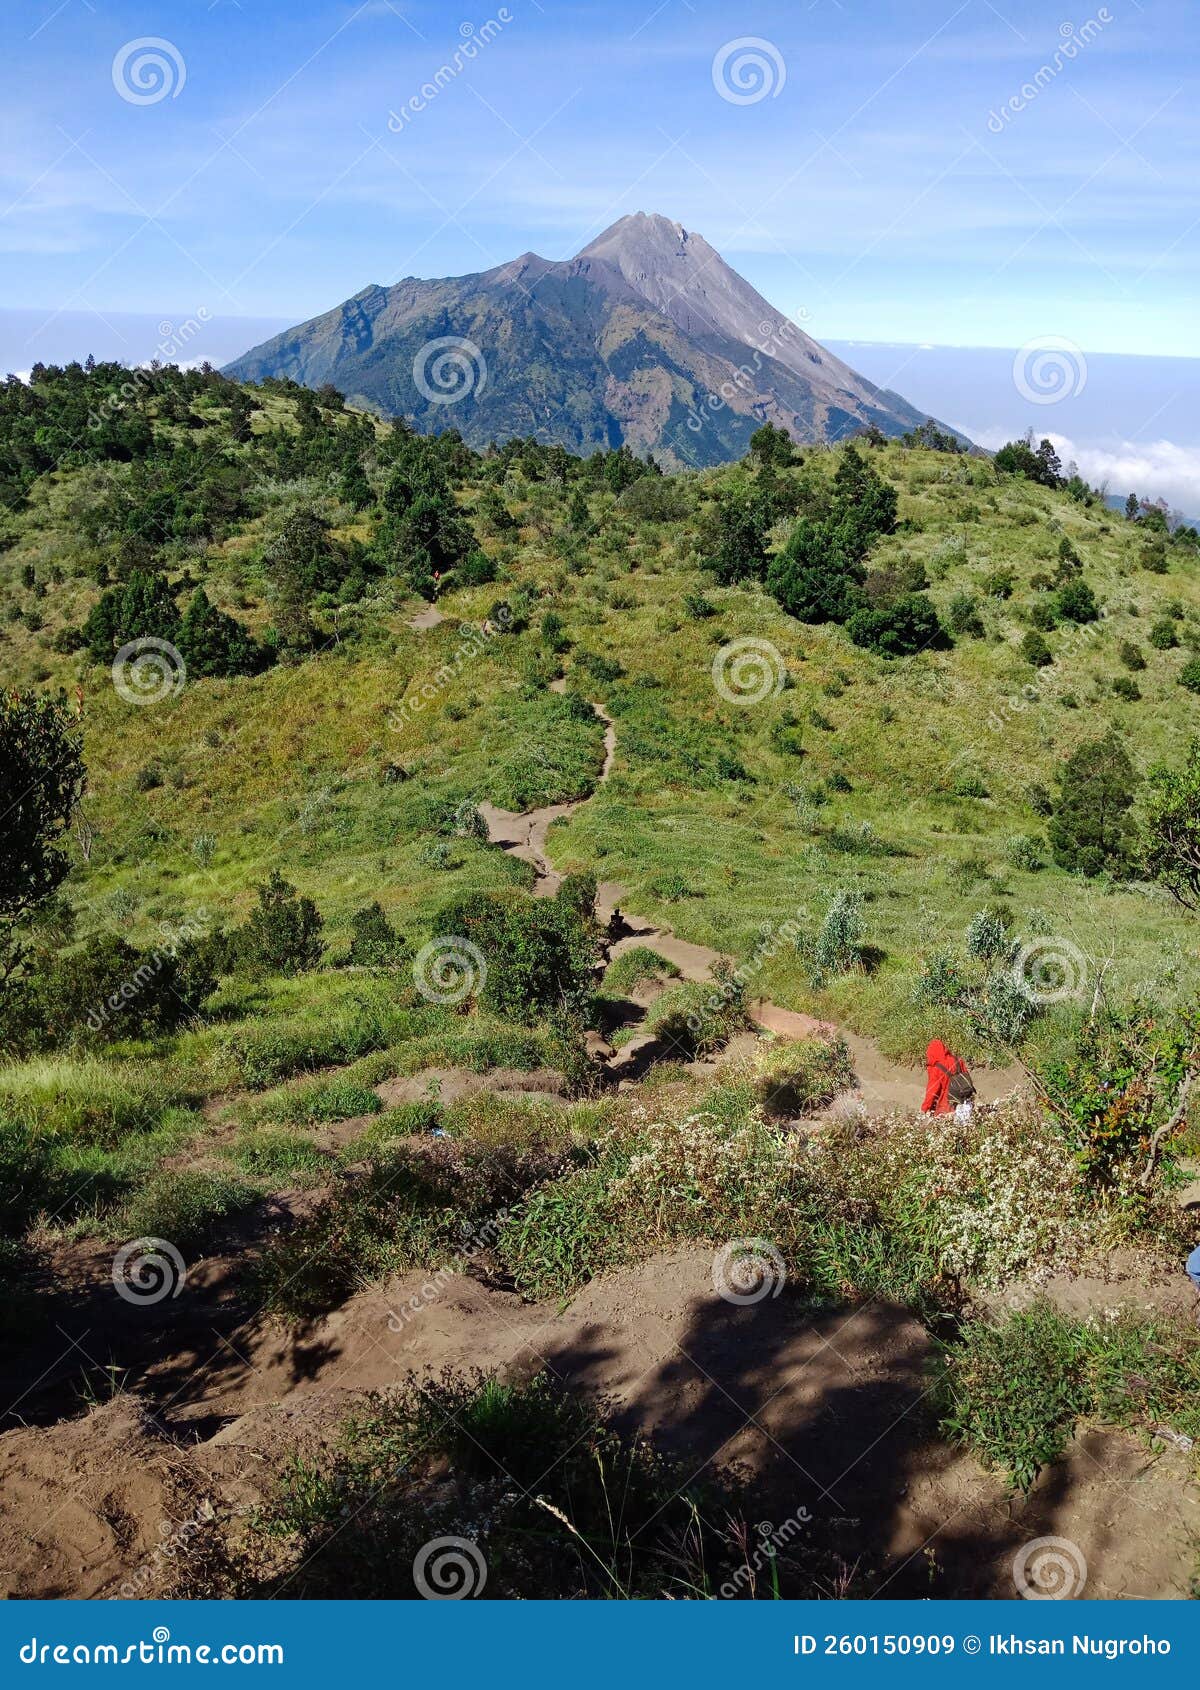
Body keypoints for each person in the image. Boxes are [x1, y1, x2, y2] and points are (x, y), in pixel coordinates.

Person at [923, 1038, 976, 1121]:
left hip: (946, 1105)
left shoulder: (935, 1068)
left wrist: (925, 1108)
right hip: (964, 1100)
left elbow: (932, 1091)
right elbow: (966, 1078)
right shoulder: (958, 1060)